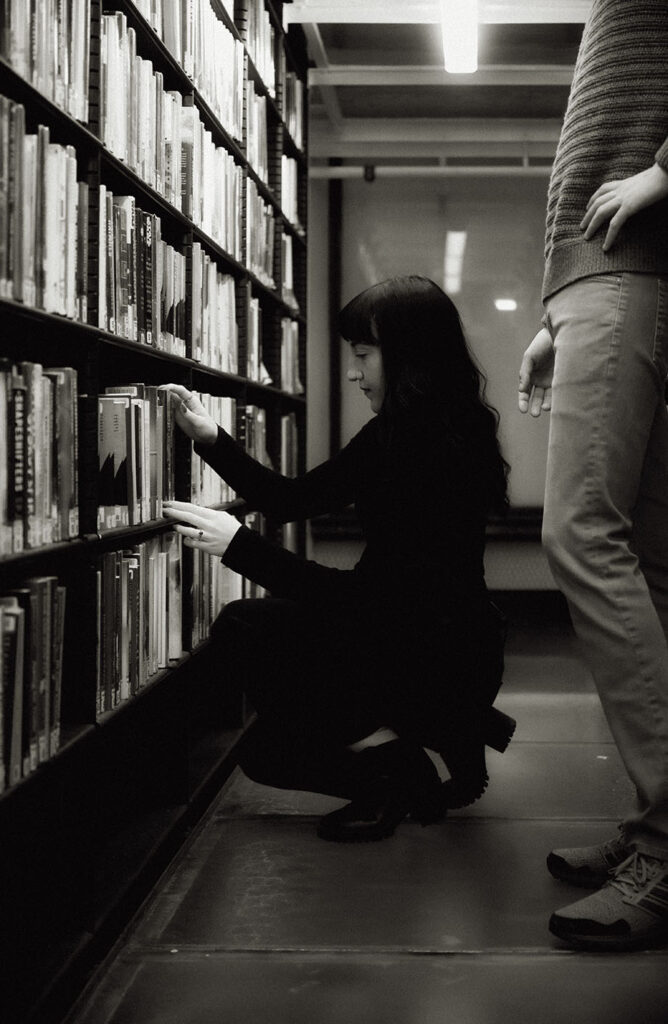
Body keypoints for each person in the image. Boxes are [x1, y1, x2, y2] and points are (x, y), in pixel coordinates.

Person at [162, 275, 513, 843]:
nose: (353, 372)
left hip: (432, 650)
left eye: (364, 355)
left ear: (407, 356)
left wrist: (240, 548)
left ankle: (396, 771)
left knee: (269, 743)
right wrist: (211, 439)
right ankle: (414, 746)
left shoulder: (430, 452)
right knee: (258, 646)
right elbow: (292, 501)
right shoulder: (408, 433)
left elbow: (377, 600)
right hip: (430, 637)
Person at [518, 0, 668, 950]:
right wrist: (552, 308)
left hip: (626, 270)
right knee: (650, 563)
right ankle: (656, 831)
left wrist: (664, 172)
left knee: (578, 533)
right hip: (603, 275)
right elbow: (584, 160)